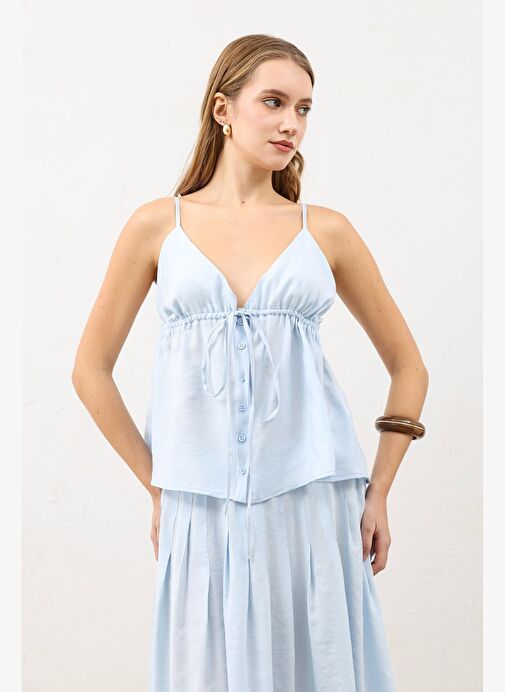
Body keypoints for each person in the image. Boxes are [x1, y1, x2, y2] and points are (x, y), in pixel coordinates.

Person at [72, 34, 428, 692]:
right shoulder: (158, 226)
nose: (291, 122)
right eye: (273, 102)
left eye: (304, 108)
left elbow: (409, 366)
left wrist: (378, 491)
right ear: (223, 109)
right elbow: (89, 369)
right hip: (200, 506)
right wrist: (158, 485)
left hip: (315, 500)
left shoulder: (325, 231)